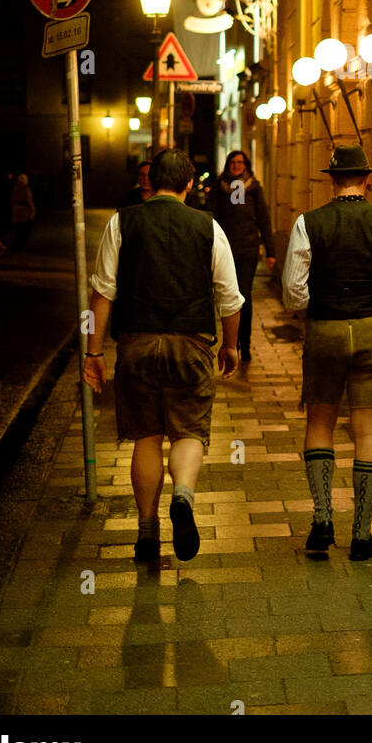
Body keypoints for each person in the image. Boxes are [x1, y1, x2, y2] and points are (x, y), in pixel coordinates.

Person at [83, 148, 244, 563]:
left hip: (136, 343)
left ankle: (147, 532)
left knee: (147, 436)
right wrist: (230, 345)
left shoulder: (123, 222)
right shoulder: (209, 227)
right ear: (190, 184)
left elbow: (101, 292)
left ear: (150, 181)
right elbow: (230, 297)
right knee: (189, 431)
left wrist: (93, 351)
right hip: (190, 343)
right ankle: (184, 498)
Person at [282, 143, 372, 561]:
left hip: (324, 329)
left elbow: (292, 290)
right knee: (369, 431)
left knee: (320, 421)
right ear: (367, 179)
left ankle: (322, 519)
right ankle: (361, 533)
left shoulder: (308, 223)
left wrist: (314, 311)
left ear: (331, 179)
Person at [208, 149, 276, 363]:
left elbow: (264, 219)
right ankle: (231, 341)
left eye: (240, 162)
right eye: (233, 162)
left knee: (244, 295)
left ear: (246, 165)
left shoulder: (254, 187)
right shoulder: (219, 187)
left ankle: (244, 343)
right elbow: (210, 217)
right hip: (225, 249)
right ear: (228, 165)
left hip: (248, 249)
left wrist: (271, 252)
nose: (237, 166)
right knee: (227, 295)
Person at [9, 172, 36, 250]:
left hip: (17, 212)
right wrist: (33, 211)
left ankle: (18, 245)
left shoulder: (16, 189)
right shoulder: (25, 190)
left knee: (19, 230)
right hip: (24, 213)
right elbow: (29, 201)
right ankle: (20, 245)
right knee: (23, 230)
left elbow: (12, 200)